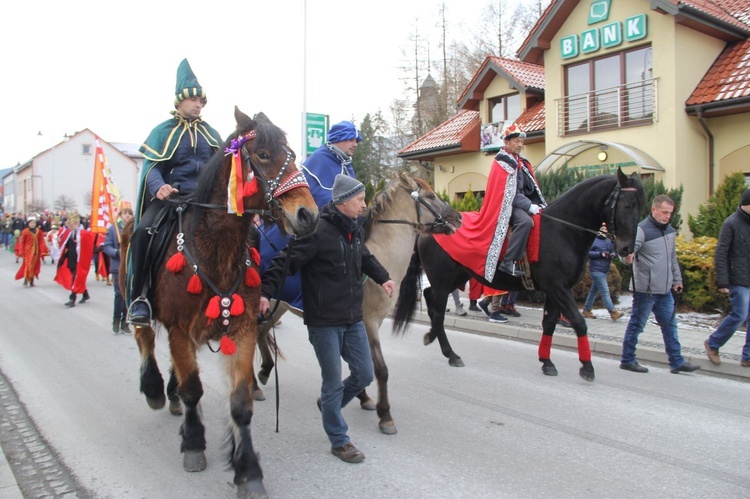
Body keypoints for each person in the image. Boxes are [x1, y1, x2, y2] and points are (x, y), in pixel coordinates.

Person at [259, 175, 396, 464]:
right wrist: (264, 293)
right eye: (360, 200)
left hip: (352, 318)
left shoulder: (355, 229)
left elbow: (365, 256)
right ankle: (339, 440)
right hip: (324, 323)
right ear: (344, 201)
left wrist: (383, 277)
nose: (364, 205)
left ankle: (329, 405)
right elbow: (283, 262)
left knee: (364, 374)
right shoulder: (316, 233)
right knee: (332, 382)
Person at [127, 58, 222, 326]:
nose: (198, 105)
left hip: (206, 203)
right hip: (172, 199)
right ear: (179, 101)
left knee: (246, 233)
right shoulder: (162, 132)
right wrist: (159, 187)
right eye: (193, 100)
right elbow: (152, 169)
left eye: (201, 101)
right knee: (142, 233)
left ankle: (242, 295)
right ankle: (140, 298)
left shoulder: (212, 134)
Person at [259, 121, 363, 310]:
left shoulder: (345, 163)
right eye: (350, 139)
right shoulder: (320, 159)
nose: (355, 144)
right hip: (314, 223)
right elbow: (318, 196)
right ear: (337, 139)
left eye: (357, 140)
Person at [433, 123, 546, 283]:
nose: (520, 144)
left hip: (520, 202)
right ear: (507, 142)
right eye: (516, 141)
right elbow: (510, 193)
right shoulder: (502, 163)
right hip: (507, 206)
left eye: (522, 141)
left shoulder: (522, 162)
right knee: (525, 221)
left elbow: (528, 188)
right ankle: (509, 261)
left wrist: (537, 203)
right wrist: (528, 206)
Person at [619, 195, 700, 374]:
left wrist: (677, 280)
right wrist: (627, 257)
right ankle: (627, 359)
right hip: (645, 290)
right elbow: (626, 253)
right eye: (664, 212)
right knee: (637, 325)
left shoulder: (670, 231)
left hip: (664, 290)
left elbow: (672, 258)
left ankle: (677, 361)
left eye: (670, 213)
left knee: (670, 325)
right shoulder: (641, 230)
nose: (667, 216)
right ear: (653, 210)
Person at [704, 188, 750, 367]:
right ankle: (713, 343)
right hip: (738, 279)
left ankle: (747, 357)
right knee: (739, 315)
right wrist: (723, 281)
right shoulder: (731, 223)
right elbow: (721, 253)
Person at [581, 223, 623, 321]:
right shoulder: (593, 240)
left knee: (593, 291)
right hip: (596, 270)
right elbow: (587, 253)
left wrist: (613, 254)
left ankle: (586, 310)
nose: (604, 230)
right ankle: (613, 312)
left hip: (604, 269)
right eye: (602, 228)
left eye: (605, 228)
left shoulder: (608, 241)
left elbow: (614, 251)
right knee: (605, 291)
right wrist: (600, 254)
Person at [102, 208, 134, 334]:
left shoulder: (134, 227)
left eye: (130, 213)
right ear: (120, 215)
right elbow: (107, 246)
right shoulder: (113, 229)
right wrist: (117, 252)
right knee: (119, 295)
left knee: (128, 295)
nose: (127, 216)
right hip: (117, 266)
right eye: (125, 213)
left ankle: (125, 322)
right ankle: (116, 319)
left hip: (130, 266)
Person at [55, 214, 94, 307]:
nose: (70, 227)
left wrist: (80, 241)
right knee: (77, 277)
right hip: (71, 258)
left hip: (80, 260)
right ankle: (85, 294)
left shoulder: (84, 233)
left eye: (71, 225)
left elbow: (89, 246)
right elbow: (66, 244)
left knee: (75, 278)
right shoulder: (71, 233)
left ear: (77, 223)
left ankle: (72, 298)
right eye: (69, 225)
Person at [14, 216, 48, 287]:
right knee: (28, 265)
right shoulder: (25, 231)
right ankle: (26, 279)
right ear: (28, 224)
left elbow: (41, 241)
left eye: (34, 223)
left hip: (36, 251)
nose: (32, 224)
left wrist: (43, 249)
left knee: (34, 266)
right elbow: (22, 242)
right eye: (31, 223)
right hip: (28, 251)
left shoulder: (38, 231)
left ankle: (31, 280)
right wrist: (21, 251)